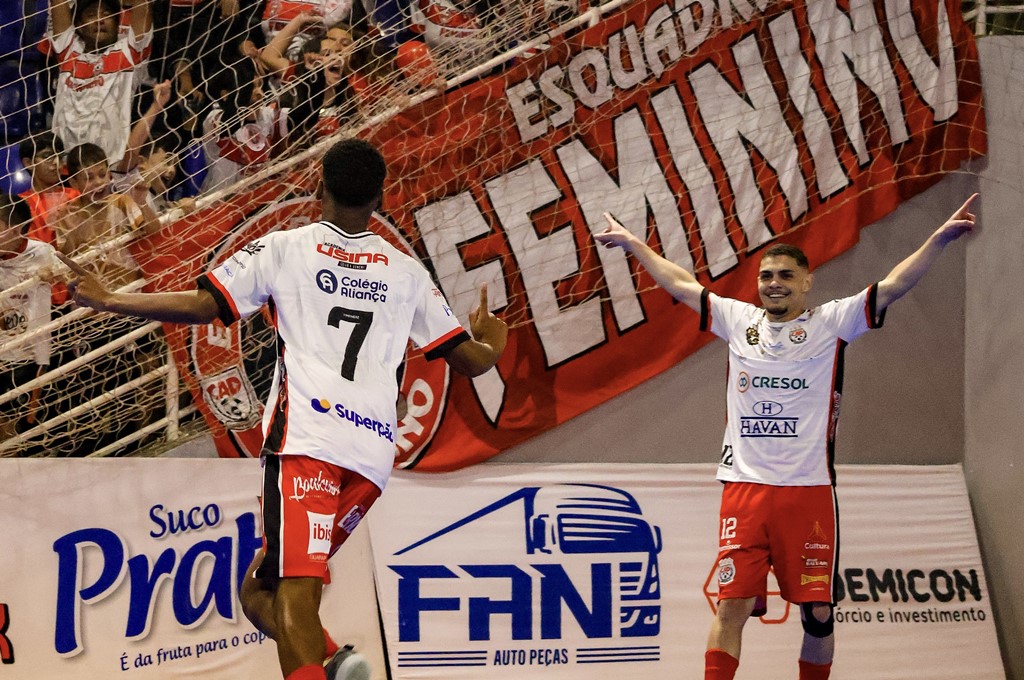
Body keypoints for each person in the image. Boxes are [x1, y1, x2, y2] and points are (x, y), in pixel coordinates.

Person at [60, 137, 509, 680]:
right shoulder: (406, 272)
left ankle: (321, 668)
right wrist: (493, 337)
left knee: (296, 584)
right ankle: (335, 662)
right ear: (380, 199)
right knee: (259, 591)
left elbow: (204, 306)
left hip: (309, 440)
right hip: (371, 457)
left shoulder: (284, 247)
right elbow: (471, 361)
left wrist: (110, 299)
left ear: (319, 187)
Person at [593, 195, 979, 680]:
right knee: (731, 605)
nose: (773, 283)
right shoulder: (738, 320)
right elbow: (681, 283)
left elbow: (895, 284)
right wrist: (634, 244)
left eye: (785, 276)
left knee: (818, 614)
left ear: (807, 281)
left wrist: (939, 239)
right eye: (766, 276)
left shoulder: (833, 322)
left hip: (808, 491)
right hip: (745, 490)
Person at [48, 0, 153, 165]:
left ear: (117, 24)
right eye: (91, 15)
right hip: (68, 165)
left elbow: (142, 8)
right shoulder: (68, 52)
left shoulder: (129, 53)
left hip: (110, 166)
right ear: (79, 26)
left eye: (107, 14)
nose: (100, 20)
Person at [0, 193, 61, 444]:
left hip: (29, 354)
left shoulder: (43, 252)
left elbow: (70, 276)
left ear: (16, 229)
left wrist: (54, 275)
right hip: (2, 352)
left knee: (19, 425)